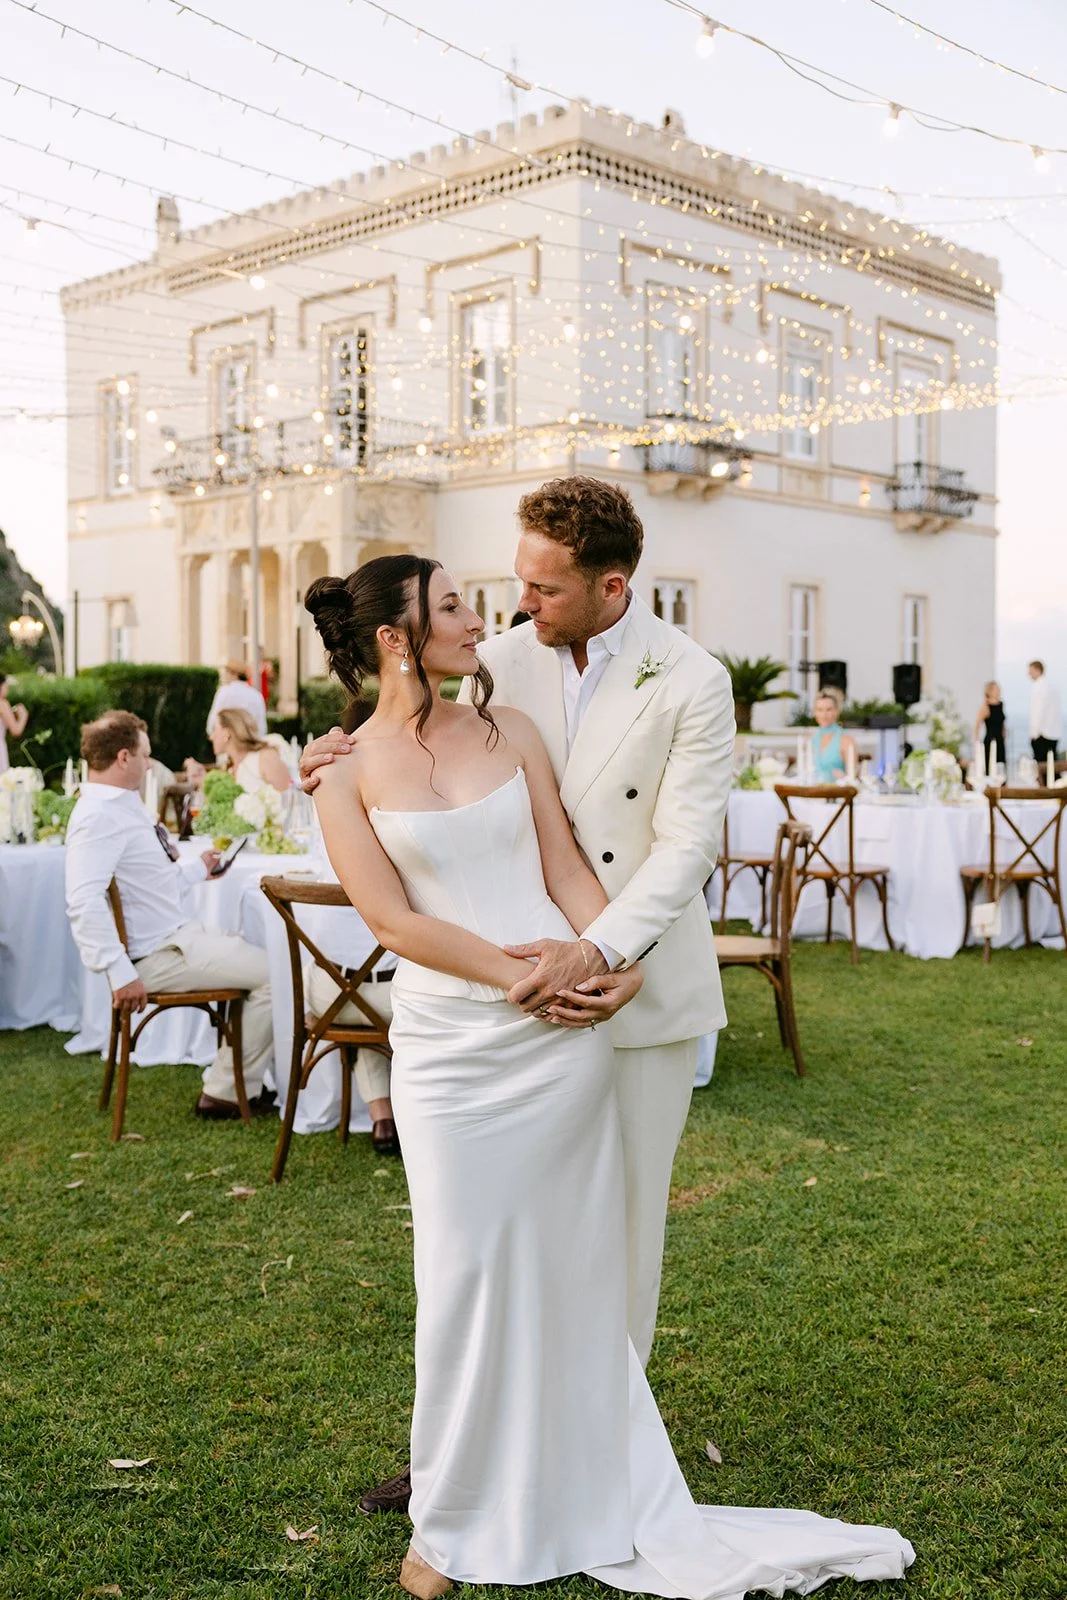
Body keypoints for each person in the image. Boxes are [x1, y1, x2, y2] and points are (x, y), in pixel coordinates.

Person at [306, 553, 914, 1599]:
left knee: (576, 1274)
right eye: (449, 603)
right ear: (396, 638)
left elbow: (566, 873)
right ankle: (448, 1520)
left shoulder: (511, 732)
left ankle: (579, 1486)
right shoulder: (341, 771)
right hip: (453, 1051)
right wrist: (516, 978)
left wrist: (608, 966)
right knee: (458, 1278)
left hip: (561, 1042)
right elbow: (391, 921)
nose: (476, 614)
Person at [65, 710, 275, 1120]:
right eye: (145, 755)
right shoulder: (97, 816)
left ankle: (238, 1082)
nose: (149, 764)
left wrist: (200, 870)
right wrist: (118, 970)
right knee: (275, 975)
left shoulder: (119, 805)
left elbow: (148, 885)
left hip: (175, 939)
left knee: (258, 955)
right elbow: (82, 899)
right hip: (156, 956)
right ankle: (226, 1092)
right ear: (123, 758)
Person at [210, 707, 291, 795]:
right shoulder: (229, 768)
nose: (211, 737)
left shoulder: (264, 757)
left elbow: (289, 798)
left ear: (227, 732)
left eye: (215, 729)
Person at [205, 660, 267, 738]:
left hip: (228, 743)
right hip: (251, 744)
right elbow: (262, 728)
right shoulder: (257, 695)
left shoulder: (224, 692)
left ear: (235, 675)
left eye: (227, 672)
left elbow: (212, 724)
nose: (224, 676)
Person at [808, 687, 855, 781]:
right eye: (820, 710)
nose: (824, 715)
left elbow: (853, 774)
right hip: (813, 791)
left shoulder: (846, 739)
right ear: (815, 713)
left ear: (837, 711)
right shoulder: (812, 739)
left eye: (829, 709)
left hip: (837, 792)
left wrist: (844, 776)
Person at [1028, 659, 1061, 766]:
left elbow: (1039, 711)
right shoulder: (1052, 686)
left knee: (1042, 768)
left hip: (1042, 734)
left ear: (1038, 670)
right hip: (1054, 733)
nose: (1029, 674)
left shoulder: (1039, 686)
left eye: (1030, 671)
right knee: (1052, 766)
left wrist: (1034, 733)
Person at [974, 681, 1006, 772]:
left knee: (1001, 769)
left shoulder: (1001, 704)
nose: (999, 690)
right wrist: (976, 743)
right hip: (990, 741)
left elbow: (1002, 723)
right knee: (990, 768)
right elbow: (977, 726)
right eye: (997, 688)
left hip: (1000, 742)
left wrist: (1004, 735)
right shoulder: (985, 707)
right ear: (990, 691)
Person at [0, 672, 29, 774]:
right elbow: (16, 731)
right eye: (5, 685)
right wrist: (23, 716)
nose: (7, 688)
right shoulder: (2, 703)